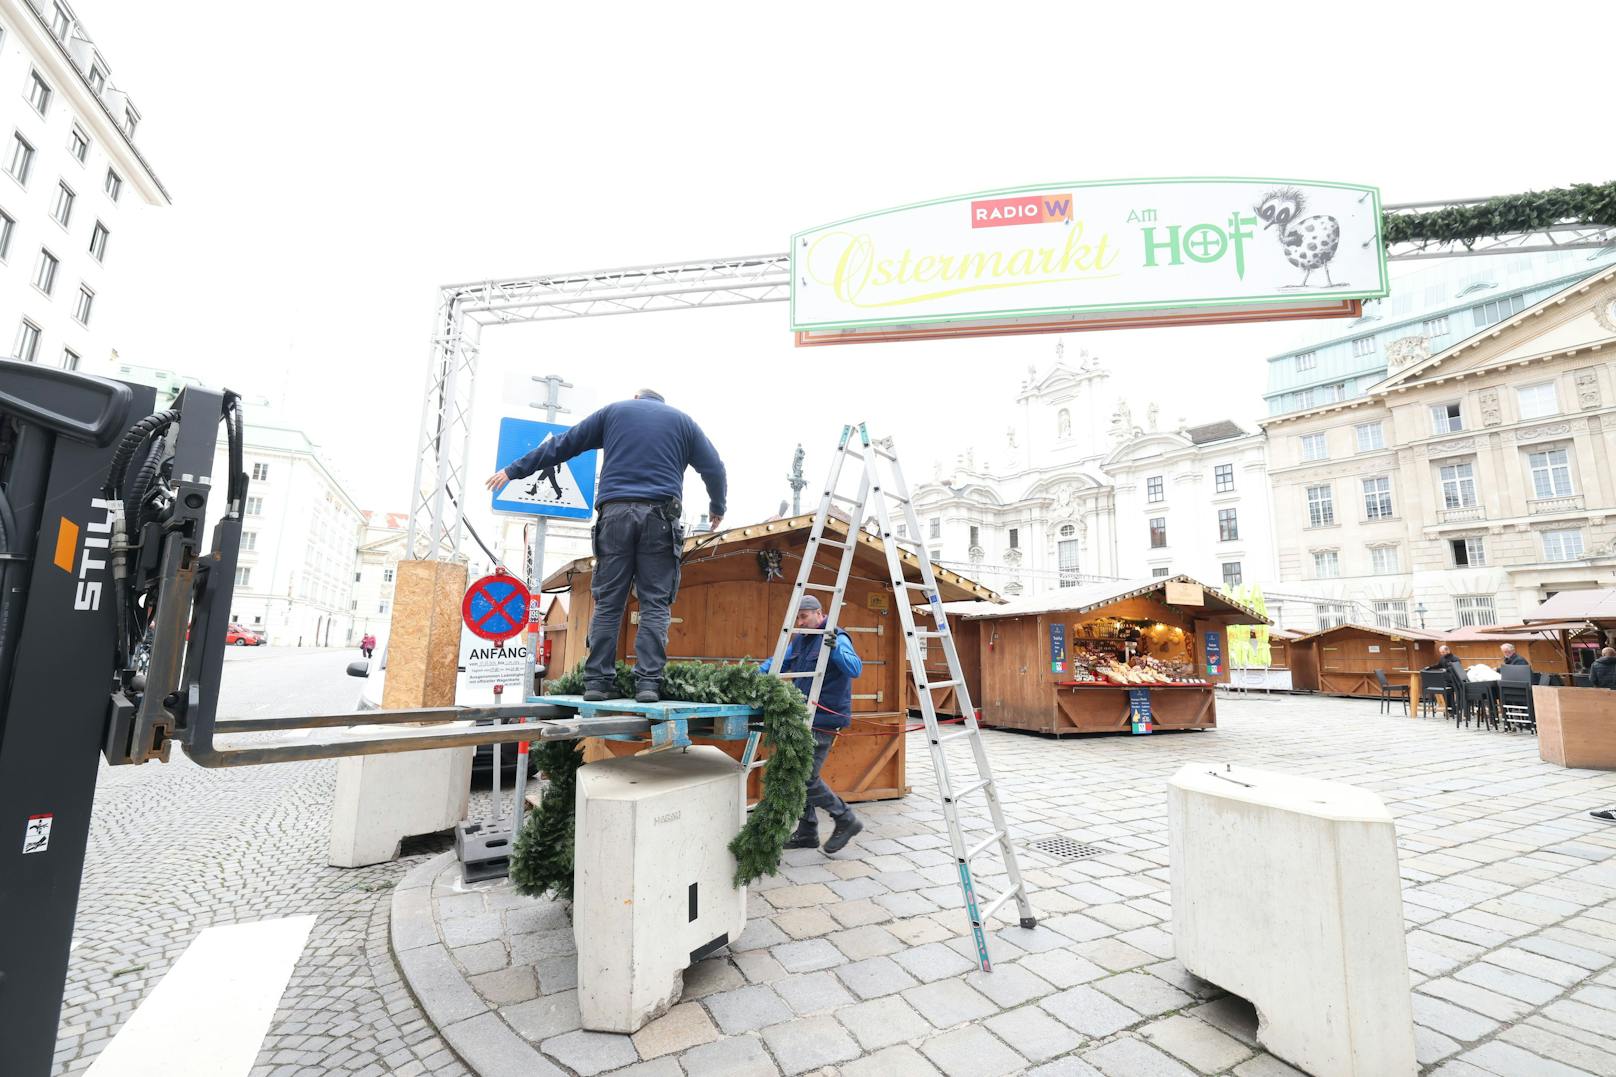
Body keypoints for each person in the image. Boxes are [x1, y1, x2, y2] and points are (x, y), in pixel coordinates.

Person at [486, 389, 725, 704]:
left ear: (637, 398)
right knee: (655, 603)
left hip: (613, 517)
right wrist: (717, 506)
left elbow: (562, 445)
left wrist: (513, 471)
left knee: (609, 602)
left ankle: (597, 683)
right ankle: (648, 685)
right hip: (660, 518)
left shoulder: (614, 413)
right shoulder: (684, 423)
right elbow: (714, 468)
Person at [759, 595, 864, 854]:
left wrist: (836, 648)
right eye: (798, 618)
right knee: (795, 772)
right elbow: (779, 661)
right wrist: (755, 673)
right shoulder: (801, 640)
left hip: (825, 719)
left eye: (804, 617)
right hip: (803, 716)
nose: (800, 622)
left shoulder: (837, 636)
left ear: (819, 614)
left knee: (804, 775)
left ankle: (845, 818)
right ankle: (807, 831)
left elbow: (855, 669)